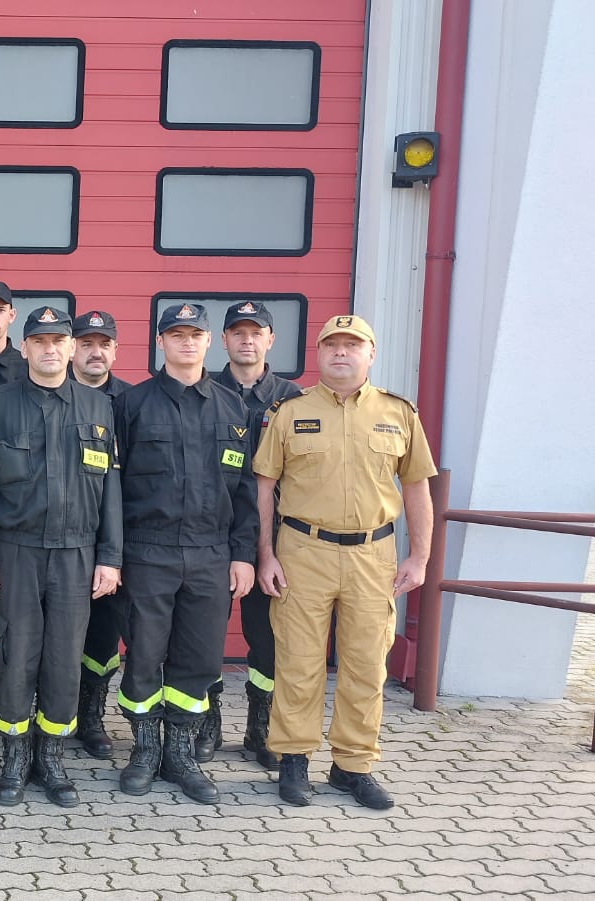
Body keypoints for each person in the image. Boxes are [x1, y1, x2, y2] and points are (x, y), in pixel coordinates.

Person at [255, 315, 436, 810]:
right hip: (303, 551)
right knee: (298, 662)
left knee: (366, 664)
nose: (341, 352)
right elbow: (265, 487)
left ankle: (352, 766)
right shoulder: (290, 412)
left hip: (373, 557)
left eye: (352, 345)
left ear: (370, 354)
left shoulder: (398, 413)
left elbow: (416, 487)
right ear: (317, 354)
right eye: (331, 344)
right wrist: (265, 554)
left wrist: (420, 557)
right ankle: (294, 759)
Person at [0, 306, 122, 807]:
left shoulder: (99, 407)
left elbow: (112, 488)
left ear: (72, 348)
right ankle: (14, 758)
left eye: (59, 341)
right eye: (40, 341)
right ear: (25, 347)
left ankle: (51, 758)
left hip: (77, 553)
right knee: (16, 656)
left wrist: (110, 556)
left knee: (63, 660)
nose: (50, 349)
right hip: (15, 553)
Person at [112, 303, 258, 804]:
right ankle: (144, 750)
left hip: (210, 554)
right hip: (147, 553)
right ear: (160, 342)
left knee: (198, 659)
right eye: (176, 335)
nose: (187, 342)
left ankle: (180, 754)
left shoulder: (233, 409)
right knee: (144, 656)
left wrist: (243, 554)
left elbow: (245, 489)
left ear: (209, 341)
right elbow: (111, 488)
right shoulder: (131, 404)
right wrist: (115, 555)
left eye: (195, 335)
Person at [203, 300, 303, 770]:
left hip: (273, 539)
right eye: (238, 332)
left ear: (270, 340)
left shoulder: (293, 399)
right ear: (223, 340)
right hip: (210, 535)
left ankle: (260, 728)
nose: (247, 340)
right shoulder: (203, 390)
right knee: (204, 635)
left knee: (267, 638)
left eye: (256, 332)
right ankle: (206, 723)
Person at [68, 309, 134, 761]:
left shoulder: (130, 403)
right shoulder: (52, 394)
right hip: (60, 538)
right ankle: (51, 711)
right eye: (87, 343)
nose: (96, 352)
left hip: (113, 539)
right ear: (72, 349)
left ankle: (90, 716)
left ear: (115, 350)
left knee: (103, 633)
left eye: (104, 344)